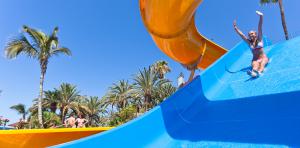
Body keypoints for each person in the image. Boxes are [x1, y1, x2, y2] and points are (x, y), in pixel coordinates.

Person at [233, 11, 269, 77]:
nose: (251, 35)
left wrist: (261, 16)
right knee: (255, 64)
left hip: (263, 57)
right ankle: (254, 72)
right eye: (249, 34)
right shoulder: (249, 43)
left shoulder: (260, 39)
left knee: (263, 63)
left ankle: (259, 72)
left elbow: (259, 27)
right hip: (255, 59)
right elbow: (242, 35)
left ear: (255, 34)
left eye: (252, 33)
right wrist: (236, 28)